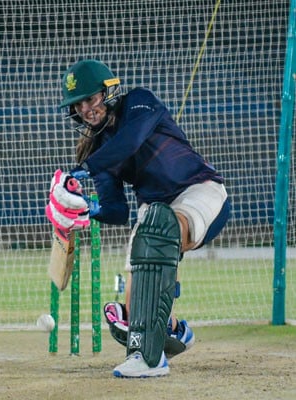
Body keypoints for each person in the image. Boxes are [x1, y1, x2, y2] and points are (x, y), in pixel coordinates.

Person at [45, 59, 230, 378]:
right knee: (135, 299)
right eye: (79, 105)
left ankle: (150, 358)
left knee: (158, 226)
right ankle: (171, 332)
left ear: (109, 91)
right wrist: (86, 207)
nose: (87, 109)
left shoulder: (140, 102)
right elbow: (117, 209)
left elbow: (130, 141)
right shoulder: (98, 153)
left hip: (199, 192)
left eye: (91, 99)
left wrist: (83, 170)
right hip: (155, 213)